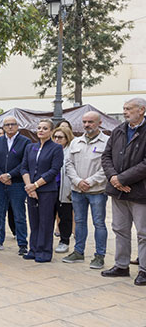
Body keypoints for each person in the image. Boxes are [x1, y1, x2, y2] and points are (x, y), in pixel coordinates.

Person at [101, 98, 146, 285]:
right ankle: (121, 265)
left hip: (140, 192)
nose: (125, 112)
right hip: (118, 191)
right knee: (120, 229)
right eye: (124, 108)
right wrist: (114, 178)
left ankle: (144, 269)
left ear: (142, 110)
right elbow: (106, 156)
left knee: (143, 233)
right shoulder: (119, 130)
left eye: (129, 109)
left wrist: (122, 179)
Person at [63, 111, 109, 269]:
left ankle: (99, 256)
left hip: (97, 192)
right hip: (77, 191)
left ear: (99, 123)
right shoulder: (76, 142)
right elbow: (68, 164)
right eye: (84, 122)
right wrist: (77, 181)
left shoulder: (107, 142)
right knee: (80, 222)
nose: (87, 125)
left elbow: (107, 167)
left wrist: (89, 181)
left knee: (99, 224)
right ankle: (78, 252)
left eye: (90, 122)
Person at [21, 119, 63, 263]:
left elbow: (54, 170)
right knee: (34, 221)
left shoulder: (56, 148)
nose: (41, 130)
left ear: (51, 131)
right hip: (31, 190)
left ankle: (44, 251)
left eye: (45, 128)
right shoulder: (30, 147)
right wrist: (29, 186)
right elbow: (24, 167)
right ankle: (33, 249)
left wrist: (36, 185)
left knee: (45, 221)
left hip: (47, 190)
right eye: (39, 128)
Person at [0, 116, 31, 255]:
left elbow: (25, 163)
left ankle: (22, 244)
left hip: (17, 183)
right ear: (3, 127)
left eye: (12, 124)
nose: (10, 127)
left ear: (17, 126)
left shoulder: (25, 142)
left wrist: (10, 175)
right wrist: (0, 175)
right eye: (7, 125)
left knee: (19, 215)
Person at [52, 125, 74, 254]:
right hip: (50, 187)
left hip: (65, 187)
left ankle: (64, 241)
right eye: (55, 137)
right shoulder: (50, 149)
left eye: (60, 137)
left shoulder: (71, 151)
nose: (57, 139)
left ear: (67, 138)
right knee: (48, 215)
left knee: (65, 215)